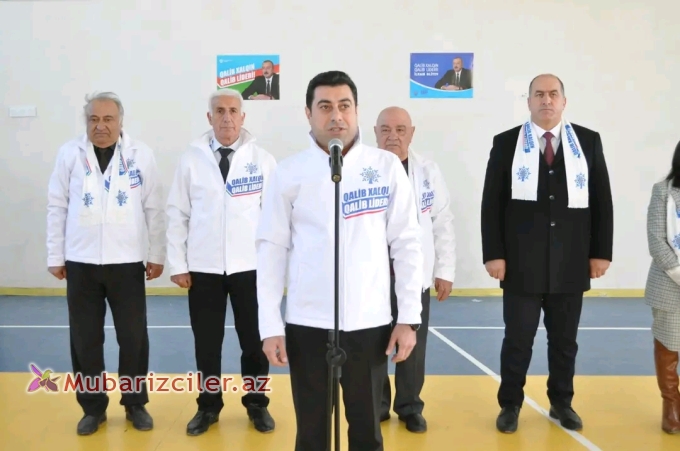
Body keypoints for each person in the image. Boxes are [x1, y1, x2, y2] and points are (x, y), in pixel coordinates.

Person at [255, 70, 424, 451]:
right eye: (325, 106)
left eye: (344, 106)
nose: (336, 116)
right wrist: (270, 325)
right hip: (307, 323)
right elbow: (271, 250)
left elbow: (407, 245)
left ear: (357, 111)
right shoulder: (289, 172)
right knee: (312, 432)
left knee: (367, 430)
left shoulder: (385, 167)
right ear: (308, 113)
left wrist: (408, 318)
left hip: (369, 322)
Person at [480, 74, 613, 433]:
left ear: (564, 101)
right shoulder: (506, 143)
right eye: (539, 94)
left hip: (571, 262)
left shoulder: (587, 141)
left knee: (565, 342)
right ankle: (510, 404)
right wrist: (494, 254)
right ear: (529, 101)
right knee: (517, 341)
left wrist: (601, 252)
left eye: (553, 94)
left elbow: (602, 200)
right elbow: (492, 203)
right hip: (520, 265)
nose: (546, 100)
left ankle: (561, 402)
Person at [46, 91, 166, 435]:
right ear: (86, 122)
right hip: (80, 262)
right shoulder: (70, 154)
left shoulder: (140, 155)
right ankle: (93, 408)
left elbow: (154, 208)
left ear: (120, 121)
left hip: (127, 262)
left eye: (108, 119)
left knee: (133, 338)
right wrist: (55, 255)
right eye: (94, 119)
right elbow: (57, 206)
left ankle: (135, 403)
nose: (100, 126)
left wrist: (156, 254)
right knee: (85, 340)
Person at [165, 88, 277, 435]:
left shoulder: (263, 160)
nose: (226, 117)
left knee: (254, 344)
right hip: (204, 270)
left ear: (243, 117)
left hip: (250, 269)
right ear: (209, 117)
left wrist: (274, 267)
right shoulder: (191, 159)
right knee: (207, 344)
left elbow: (276, 219)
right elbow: (177, 213)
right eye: (219, 111)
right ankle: (208, 406)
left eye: (232, 111)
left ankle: (257, 404)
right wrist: (178, 264)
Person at [373, 106, 456, 433]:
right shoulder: (363, 169)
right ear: (375, 132)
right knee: (373, 345)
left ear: (412, 133)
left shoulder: (427, 171)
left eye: (400, 129)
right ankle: (377, 405)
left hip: (414, 276)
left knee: (413, 346)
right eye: (385, 129)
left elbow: (442, 221)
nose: (393, 136)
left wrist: (445, 269)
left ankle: (409, 406)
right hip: (373, 278)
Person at [643, 139, 680, 435]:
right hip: (670, 285)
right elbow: (656, 241)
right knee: (669, 346)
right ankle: (672, 407)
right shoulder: (663, 192)